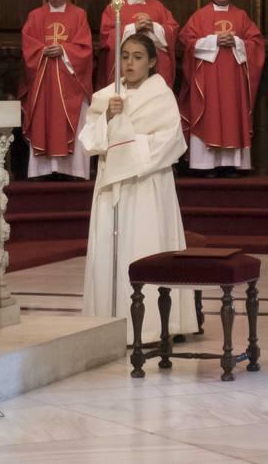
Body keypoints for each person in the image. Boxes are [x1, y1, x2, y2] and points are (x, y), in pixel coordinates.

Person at [79, 33, 198, 339]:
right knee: (112, 249)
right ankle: (109, 322)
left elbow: (170, 142)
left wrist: (125, 145)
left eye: (138, 57)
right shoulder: (107, 96)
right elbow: (90, 142)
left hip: (146, 183)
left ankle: (154, 327)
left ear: (153, 62)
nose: (130, 63)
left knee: (146, 243)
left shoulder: (162, 96)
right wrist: (108, 117)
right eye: (125, 56)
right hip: (112, 187)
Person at [179, 0, 265, 175]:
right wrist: (213, 41)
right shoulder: (200, 16)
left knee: (231, 116)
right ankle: (205, 165)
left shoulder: (241, 16)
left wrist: (236, 42)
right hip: (207, 81)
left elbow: (256, 43)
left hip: (233, 81)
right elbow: (186, 40)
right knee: (209, 114)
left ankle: (229, 165)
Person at [21, 0, 94, 179]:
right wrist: (42, 50)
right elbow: (28, 45)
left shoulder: (79, 15)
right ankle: (44, 171)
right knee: (43, 121)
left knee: (73, 121)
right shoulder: (35, 16)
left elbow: (85, 48)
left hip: (69, 81)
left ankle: (74, 171)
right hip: (43, 82)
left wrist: (64, 50)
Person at [96, 0, 178, 92]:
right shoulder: (115, 6)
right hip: (127, 63)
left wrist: (153, 27)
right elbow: (107, 36)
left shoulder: (157, 6)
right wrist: (134, 28)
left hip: (155, 64)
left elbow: (172, 30)